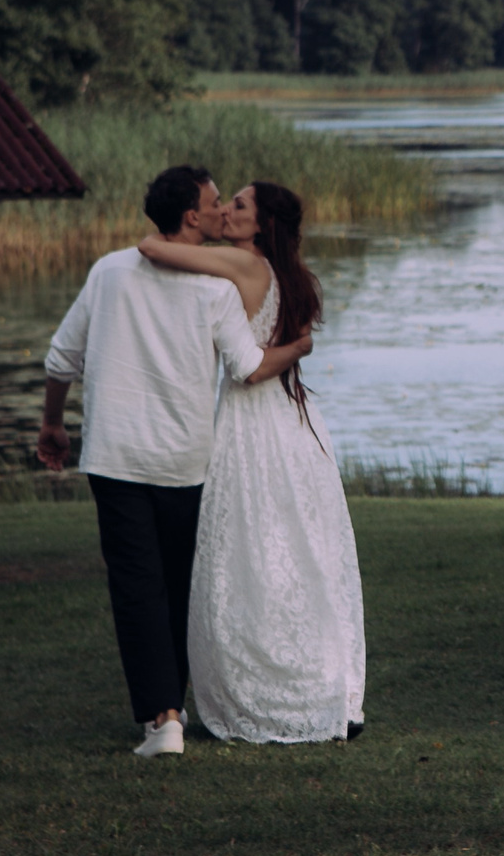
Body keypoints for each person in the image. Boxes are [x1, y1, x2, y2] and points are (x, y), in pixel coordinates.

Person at [40, 166, 313, 758]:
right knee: (176, 585)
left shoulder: (109, 271)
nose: (221, 211)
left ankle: (163, 719)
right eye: (217, 203)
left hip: (114, 455)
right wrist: (299, 346)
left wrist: (53, 422)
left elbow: (61, 358)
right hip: (185, 461)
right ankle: (173, 707)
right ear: (191, 216)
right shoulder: (215, 290)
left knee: (135, 587)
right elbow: (246, 367)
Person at [135, 181, 365, 744]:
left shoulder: (242, 264)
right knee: (302, 551)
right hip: (301, 429)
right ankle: (325, 680)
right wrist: (300, 348)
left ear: (259, 225)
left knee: (253, 551)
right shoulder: (293, 276)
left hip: (253, 426)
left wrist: (173, 232)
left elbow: (153, 249)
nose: (225, 212)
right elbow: (294, 344)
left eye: (237, 206)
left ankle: (267, 691)